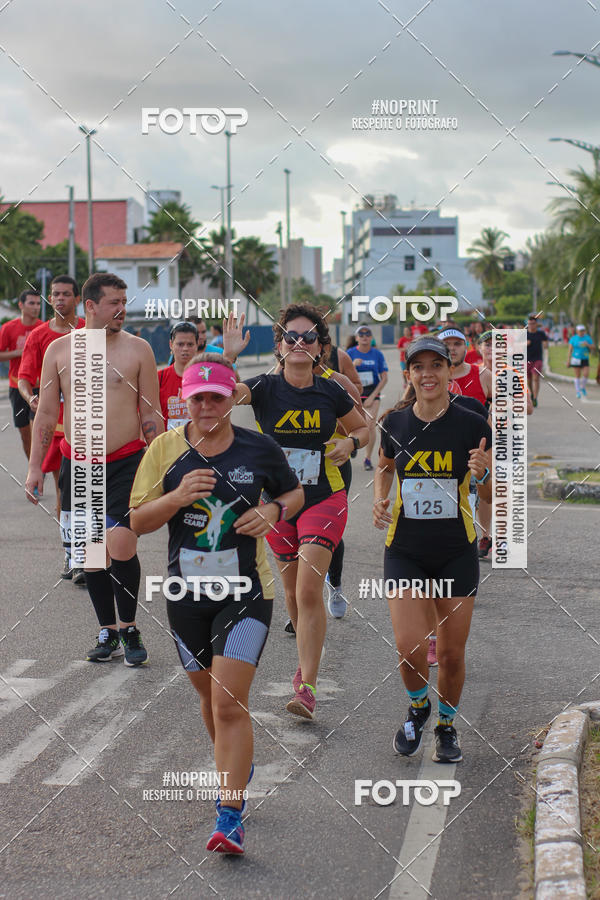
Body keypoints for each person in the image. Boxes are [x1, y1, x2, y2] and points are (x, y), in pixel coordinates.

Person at [129, 353, 303, 854]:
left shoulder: (258, 448)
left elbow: (293, 494)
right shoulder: (165, 450)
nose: (206, 406)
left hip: (247, 592)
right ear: (184, 400)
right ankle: (235, 764)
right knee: (209, 699)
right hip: (186, 594)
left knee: (229, 702)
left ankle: (230, 814)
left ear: (231, 400)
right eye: (197, 398)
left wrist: (272, 510)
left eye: (216, 397)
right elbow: (138, 521)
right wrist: (178, 497)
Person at [223, 305, 368, 719]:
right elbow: (223, 395)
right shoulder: (266, 387)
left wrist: (350, 445)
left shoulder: (332, 389)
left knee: (307, 589)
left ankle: (306, 686)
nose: (299, 343)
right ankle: (303, 663)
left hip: (324, 498)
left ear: (321, 346)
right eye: (291, 337)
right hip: (278, 503)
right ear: (280, 345)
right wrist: (228, 358)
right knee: (291, 593)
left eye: (308, 337)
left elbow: (363, 428)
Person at [25, 272, 165, 665]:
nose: (122, 309)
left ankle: (131, 627)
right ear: (90, 307)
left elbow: (151, 414)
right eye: (113, 302)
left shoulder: (138, 350)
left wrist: (165, 463)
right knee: (92, 554)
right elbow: (48, 413)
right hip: (79, 463)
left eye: (124, 301)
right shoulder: (59, 350)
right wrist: (35, 468)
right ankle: (108, 629)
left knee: (120, 543)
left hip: (126, 461)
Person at [374, 336, 492, 763]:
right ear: (409, 374)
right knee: (408, 647)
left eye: (436, 366)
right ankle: (419, 706)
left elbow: (493, 497)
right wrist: (379, 498)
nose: (428, 374)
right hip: (405, 549)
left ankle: (445, 725)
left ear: (448, 372)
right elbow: (384, 466)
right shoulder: (395, 423)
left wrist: (482, 473)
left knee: (450, 653)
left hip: (455, 552)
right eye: (418, 367)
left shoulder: (472, 424)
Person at [18, 276, 86, 581]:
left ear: (77, 298)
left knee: (90, 490)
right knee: (66, 490)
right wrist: (31, 396)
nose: (60, 299)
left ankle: (92, 555)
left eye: (66, 294)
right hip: (55, 425)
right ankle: (72, 555)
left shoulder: (90, 330)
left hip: (89, 422)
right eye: (55, 294)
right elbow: (23, 377)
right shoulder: (39, 336)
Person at [0, 289, 41, 459]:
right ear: (21, 305)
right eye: (31, 303)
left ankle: (40, 467)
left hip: (39, 388)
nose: (36, 307)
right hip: (17, 387)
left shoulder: (42, 328)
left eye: (38, 303)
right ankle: (34, 467)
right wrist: (19, 352)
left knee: (39, 431)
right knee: (25, 434)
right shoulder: (8, 328)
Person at [347, 325, 389, 471]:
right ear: (356, 338)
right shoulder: (350, 353)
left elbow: (384, 378)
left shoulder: (377, 354)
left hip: (372, 392)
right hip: (354, 393)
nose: (365, 336)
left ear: (371, 338)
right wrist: (352, 365)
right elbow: (341, 376)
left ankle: (367, 458)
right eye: (361, 334)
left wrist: (372, 397)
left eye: (368, 334)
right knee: (353, 424)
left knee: (370, 425)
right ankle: (353, 443)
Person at [158, 322, 199, 429]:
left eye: (190, 344)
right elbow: (146, 414)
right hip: (167, 443)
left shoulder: (205, 376)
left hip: (199, 443)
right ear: (171, 345)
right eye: (180, 344)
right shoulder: (158, 378)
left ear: (197, 345)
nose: (185, 349)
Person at [438, 326, 490, 406]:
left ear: (466, 347)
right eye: (446, 344)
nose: (452, 348)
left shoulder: (483, 374)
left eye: (457, 344)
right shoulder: (428, 378)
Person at [526, 314, 548, 407]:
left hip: (537, 359)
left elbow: (546, 343)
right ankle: (531, 393)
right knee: (529, 380)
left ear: (536, 324)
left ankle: (535, 398)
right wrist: (525, 343)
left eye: (533, 323)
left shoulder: (541, 334)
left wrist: (545, 344)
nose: (531, 325)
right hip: (526, 360)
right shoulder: (524, 334)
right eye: (530, 324)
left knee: (536, 378)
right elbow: (517, 345)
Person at [567, 324, 594, 399]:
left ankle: (583, 387)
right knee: (577, 375)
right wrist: (568, 360)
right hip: (576, 359)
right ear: (577, 331)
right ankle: (578, 391)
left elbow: (593, 347)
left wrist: (587, 344)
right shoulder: (573, 338)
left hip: (585, 358)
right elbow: (570, 350)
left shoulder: (587, 338)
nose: (581, 332)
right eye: (580, 331)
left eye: (583, 331)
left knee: (586, 374)